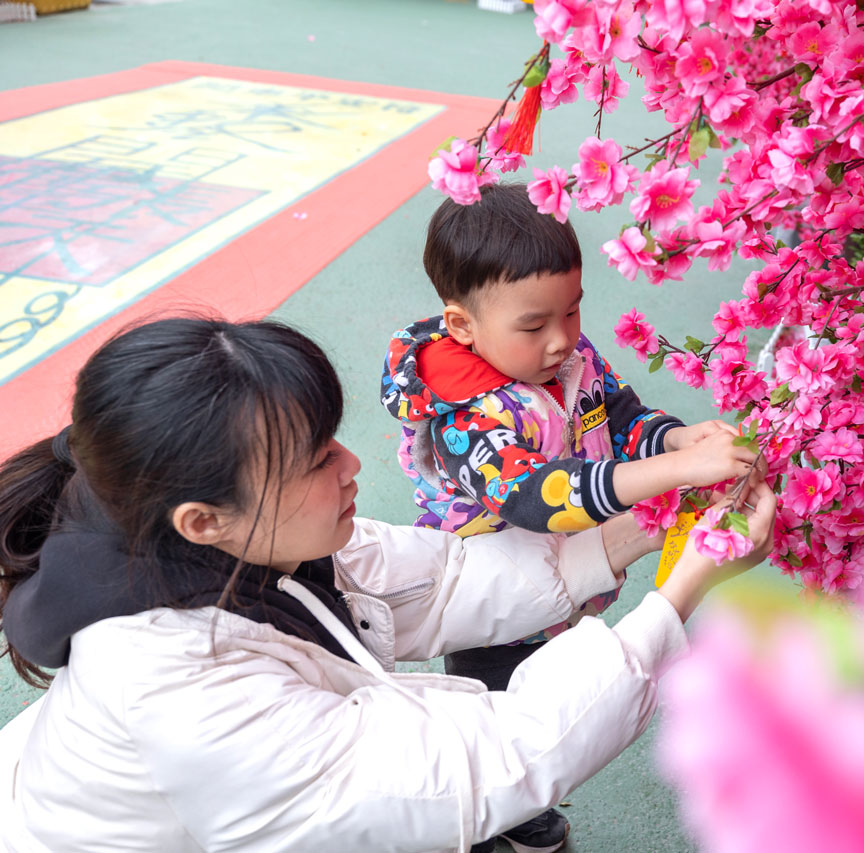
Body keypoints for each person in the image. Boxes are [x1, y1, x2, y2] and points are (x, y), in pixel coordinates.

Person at [0, 317, 775, 853]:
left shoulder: (225, 542)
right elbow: (487, 761)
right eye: (314, 460)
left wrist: (652, 522)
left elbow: (442, 579)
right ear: (204, 519)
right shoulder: (176, 692)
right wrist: (681, 588)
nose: (352, 464)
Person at [379, 183, 756, 850]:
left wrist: (674, 441)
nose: (562, 340)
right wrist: (672, 474)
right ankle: (510, 821)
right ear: (463, 325)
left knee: (564, 684)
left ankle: (524, 807)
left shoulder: (568, 362)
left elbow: (621, 416)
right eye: (534, 324)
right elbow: (539, 494)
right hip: (488, 601)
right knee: (504, 721)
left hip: (565, 576)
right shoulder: (467, 413)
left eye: (573, 312)